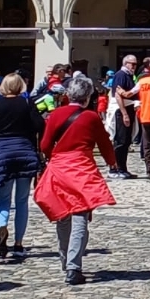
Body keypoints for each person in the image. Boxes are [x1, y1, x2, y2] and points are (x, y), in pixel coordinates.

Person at [34, 75, 117, 285]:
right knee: (80, 216)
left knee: (63, 215)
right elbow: (105, 143)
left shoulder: (55, 114)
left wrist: (54, 156)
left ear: (68, 94)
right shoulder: (91, 117)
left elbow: (44, 145)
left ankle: (65, 261)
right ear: (88, 97)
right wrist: (112, 163)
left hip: (59, 169)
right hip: (82, 169)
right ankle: (74, 266)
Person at [0, 73, 45, 259]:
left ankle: (1, 226)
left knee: (3, 199)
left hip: (2, 153)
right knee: (22, 201)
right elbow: (41, 125)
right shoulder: (26, 103)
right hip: (24, 152)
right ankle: (18, 243)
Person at [107, 56, 139, 179]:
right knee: (120, 141)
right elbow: (118, 95)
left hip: (129, 108)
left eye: (136, 64)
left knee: (126, 141)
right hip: (121, 111)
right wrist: (124, 113)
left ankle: (123, 168)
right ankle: (115, 169)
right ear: (125, 63)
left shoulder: (130, 76)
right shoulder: (121, 75)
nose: (134, 66)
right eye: (132, 64)